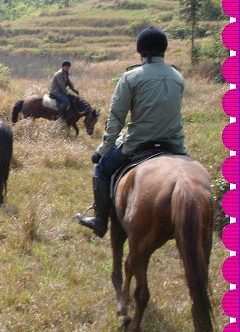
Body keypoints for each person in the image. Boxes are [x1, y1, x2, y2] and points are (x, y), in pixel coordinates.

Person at [76, 26, 186, 237]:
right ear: (164, 49)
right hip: (175, 145)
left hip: (138, 143)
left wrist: (102, 149)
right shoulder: (177, 76)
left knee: (101, 170)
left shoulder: (131, 77)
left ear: (140, 51)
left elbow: (116, 119)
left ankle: (100, 220)